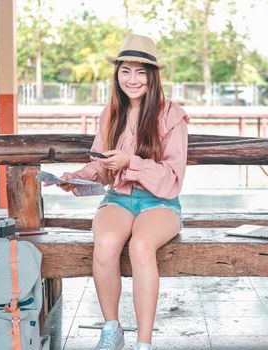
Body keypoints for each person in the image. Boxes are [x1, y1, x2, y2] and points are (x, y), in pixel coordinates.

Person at [58, 34, 188, 350]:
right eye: (125, 71)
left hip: (160, 202)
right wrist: (77, 177)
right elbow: (102, 167)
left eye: (140, 71)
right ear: (116, 74)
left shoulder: (172, 115)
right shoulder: (110, 113)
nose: (132, 79)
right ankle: (111, 328)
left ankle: (144, 343)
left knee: (141, 245)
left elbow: (172, 178)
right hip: (118, 198)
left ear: (153, 76)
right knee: (104, 243)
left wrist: (132, 161)